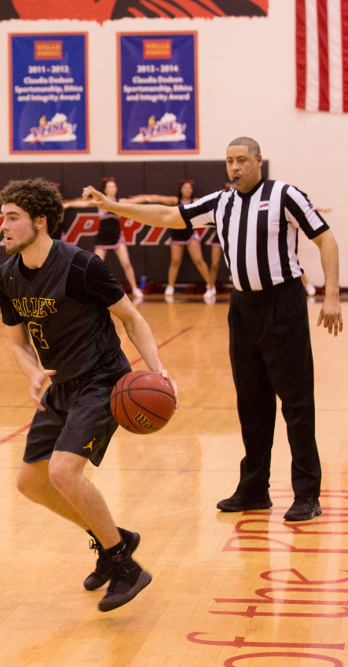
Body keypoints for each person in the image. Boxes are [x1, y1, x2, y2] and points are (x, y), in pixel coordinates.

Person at [81, 136, 342, 522]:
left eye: (241, 160)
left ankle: (306, 493)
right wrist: (110, 205)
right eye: (228, 161)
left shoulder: (285, 195)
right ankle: (254, 488)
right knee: (251, 403)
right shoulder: (221, 203)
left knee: (296, 402)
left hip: (282, 306)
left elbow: (326, 239)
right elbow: (169, 217)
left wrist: (333, 295)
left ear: (257, 161)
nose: (234, 167)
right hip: (242, 308)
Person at [0, 177, 177, 612]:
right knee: (31, 483)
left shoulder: (81, 266)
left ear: (40, 222)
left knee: (62, 472)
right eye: (2, 217)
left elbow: (131, 319)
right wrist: (32, 373)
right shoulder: (6, 276)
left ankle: (124, 565)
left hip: (101, 381)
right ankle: (114, 538)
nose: (2, 226)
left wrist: (158, 371)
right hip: (59, 386)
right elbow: (17, 342)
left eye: (12, 218)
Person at [129, 180, 215, 300]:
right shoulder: (175, 201)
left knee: (199, 260)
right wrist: (141, 198)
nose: (187, 190)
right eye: (185, 188)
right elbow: (156, 198)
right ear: (181, 190)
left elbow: (211, 202)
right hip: (177, 235)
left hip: (190, 234)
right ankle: (170, 287)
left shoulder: (195, 201)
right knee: (175, 261)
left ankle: (210, 287)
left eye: (189, 188)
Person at [64, 178, 144, 300]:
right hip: (103, 238)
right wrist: (68, 203)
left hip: (117, 237)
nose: (113, 189)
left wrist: (148, 198)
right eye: (110, 187)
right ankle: (87, 289)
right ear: (105, 190)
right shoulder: (99, 201)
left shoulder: (120, 201)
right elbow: (82, 202)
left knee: (127, 263)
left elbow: (138, 200)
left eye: (115, 186)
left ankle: (135, 288)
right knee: (94, 265)